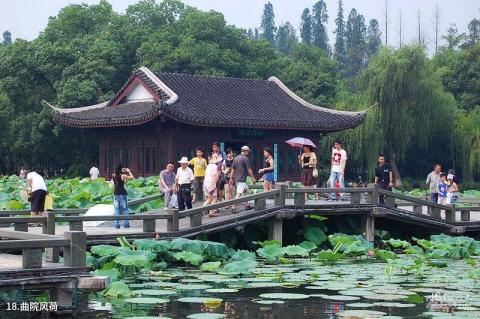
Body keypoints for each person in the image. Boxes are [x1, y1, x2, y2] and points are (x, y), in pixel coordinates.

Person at [229, 145, 256, 213]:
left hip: (237, 179)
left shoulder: (236, 158)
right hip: (242, 179)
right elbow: (249, 169)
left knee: (246, 191)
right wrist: (253, 177)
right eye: (248, 151)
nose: (248, 153)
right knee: (238, 194)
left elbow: (232, 169)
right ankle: (233, 207)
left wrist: (231, 178)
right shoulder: (245, 158)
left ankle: (247, 205)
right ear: (245, 151)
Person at [111, 163, 134, 229]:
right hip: (123, 194)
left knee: (116, 209)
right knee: (125, 209)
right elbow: (132, 177)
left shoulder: (113, 175)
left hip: (116, 194)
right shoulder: (123, 176)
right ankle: (126, 224)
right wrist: (128, 171)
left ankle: (116, 225)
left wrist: (123, 171)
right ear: (121, 168)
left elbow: (114, 183)